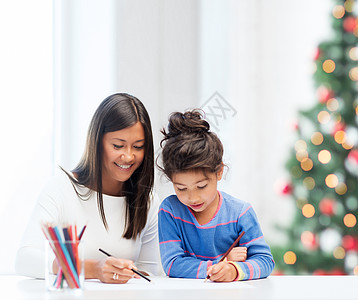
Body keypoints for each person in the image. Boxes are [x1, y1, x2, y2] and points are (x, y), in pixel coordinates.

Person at [15, 93, 162, 283]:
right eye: (118, 146)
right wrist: (91, 269)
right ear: (97, 142)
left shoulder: (148, 201)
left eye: (138, 147)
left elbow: (149, 273)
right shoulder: (61, 188)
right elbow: (25, 259)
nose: (128, 156)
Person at [157, 109, 275, 282]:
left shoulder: (240, 213)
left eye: (202, 186)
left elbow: (265, 261)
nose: (193, 198)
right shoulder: (170, 211)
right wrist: (221, 263)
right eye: (181, 188)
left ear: (219, 172)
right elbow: (173, 264)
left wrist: (234, 270)